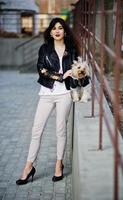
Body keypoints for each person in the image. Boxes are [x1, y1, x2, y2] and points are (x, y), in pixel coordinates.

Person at [16, 17, 80, 185]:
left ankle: (59, 165)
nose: (57, 30)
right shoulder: (44, 49)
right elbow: (41, 69)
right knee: (36, 131)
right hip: (46, 93)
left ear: (65, 31)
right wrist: (60, 76)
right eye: (54, 28)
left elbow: (78, 69)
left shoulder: (72, 50)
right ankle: (28, 167)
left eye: (60, 27)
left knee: (60, 130)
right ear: (50, 32)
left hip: (65, 94)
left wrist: (74, 73)